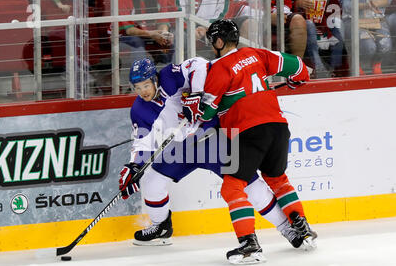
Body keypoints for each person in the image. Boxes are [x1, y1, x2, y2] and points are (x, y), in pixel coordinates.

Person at [119, 57, 304, 252]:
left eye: (146, 85)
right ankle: (161, 227)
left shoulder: (168, 77)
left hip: (212, 139)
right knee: (151, 181)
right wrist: (134, 165)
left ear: (154, 80)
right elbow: (142, 140)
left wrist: (197, 94)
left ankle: (287, 228)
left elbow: (199, 64)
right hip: (181, 149)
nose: (142, 92)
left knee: (249, 185)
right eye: (137, 88)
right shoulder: (139, 109)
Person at [182, 19, 317, 265]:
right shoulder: (256, 53)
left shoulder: (218, 69)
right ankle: (303, 228)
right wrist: (298, 80)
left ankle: (249, 245)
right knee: (277, 179)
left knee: (231, 187)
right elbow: (298, 67)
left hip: (248, 132)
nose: (212, 47)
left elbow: (207, 112)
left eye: (213, 41)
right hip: (278, 127)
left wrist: (193, 109)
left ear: (220, 41)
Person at [294, 0, 348, 78]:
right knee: (311, 31)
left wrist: (328, 35)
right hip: (303, 30)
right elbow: (288, 10)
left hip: (323, 29)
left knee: (337, 39)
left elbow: (324, 19)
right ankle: (320, 70)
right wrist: (297, 4)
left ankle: (335, 71)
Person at [341, 0, 392, 75]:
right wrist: (367, 5)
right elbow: (346, 6)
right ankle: (357, 64)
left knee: (385, 46)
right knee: (368, 46)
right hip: (353, 19)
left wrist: (377, 2)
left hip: (377, 19)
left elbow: (388, 1)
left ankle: (377, 64)